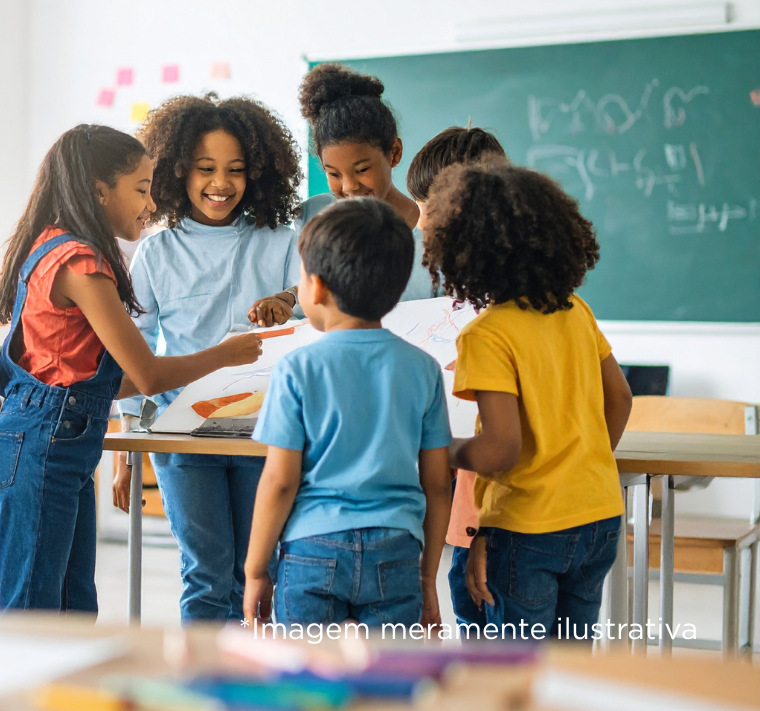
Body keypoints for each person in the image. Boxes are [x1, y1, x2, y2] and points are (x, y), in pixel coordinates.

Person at [0, 123, 262, 614]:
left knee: (71, 608)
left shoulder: (58, 246)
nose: (150, 204)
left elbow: (108, 380)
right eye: (140, 189)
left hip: (52, 441)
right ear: (99, 190)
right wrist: (227, 354)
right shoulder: (79, 263)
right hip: (43, 443)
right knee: (34, 613)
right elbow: (149, 376)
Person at [423, 159, 633, 639]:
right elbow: (619, 399)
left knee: (519, 668)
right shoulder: (576, 310)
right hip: (598, 516)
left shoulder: (487, 334)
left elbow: (500, 449)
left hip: (529, 527)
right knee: (567, 670)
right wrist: (583, 465)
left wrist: (442, 448)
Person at [114, 94, 302, 622]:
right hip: (182, 433)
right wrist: (130, 443)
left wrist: (287, 300)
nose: (221, 183)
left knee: (257, 570)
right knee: (206, 573)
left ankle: (256, 685)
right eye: (205, 169)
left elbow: (312, 315)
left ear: (258, 174)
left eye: (236, 170)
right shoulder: (157, 249)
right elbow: (138, 344)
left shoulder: (281, 242)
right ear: (177, 171)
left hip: (263, 429)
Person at [242, 199, 452, 629]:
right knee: (386, 688)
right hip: (397, 550)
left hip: (311, 550)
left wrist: (255, 569)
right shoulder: (422, 369)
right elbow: (437, 483)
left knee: (308, 685)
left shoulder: (297, 369)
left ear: (315, 288)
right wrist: (428, 575)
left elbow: (280, 481)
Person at [404, 125, 506, 629]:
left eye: (427, 207)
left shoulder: (498, 309)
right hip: (480, 500)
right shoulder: (529, 288)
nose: (419, 222)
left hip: (491, 506)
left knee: (488, 625)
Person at [249, 62, 434, 319]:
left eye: (361, 170)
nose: (348, 187)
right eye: (333, 174)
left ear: (394, 153)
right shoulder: (315, 217)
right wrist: (288, 298)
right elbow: (324, 288)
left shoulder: (431, 235)